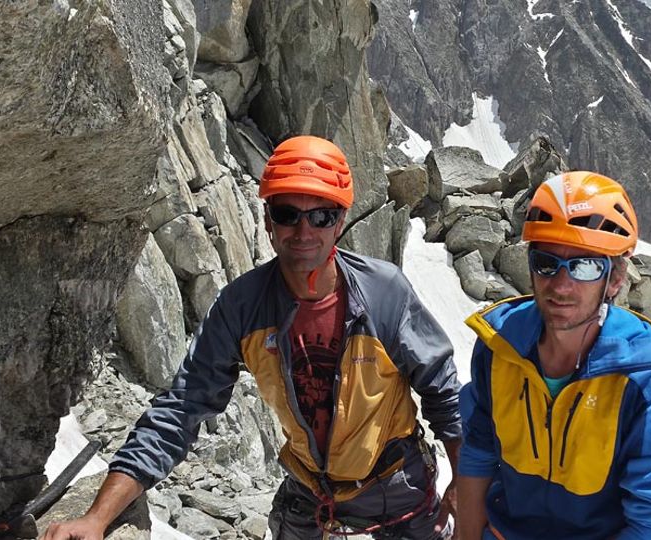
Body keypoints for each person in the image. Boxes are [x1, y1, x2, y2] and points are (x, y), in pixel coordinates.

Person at [43, 135, 461, 540]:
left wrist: (463, 481)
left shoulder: (382, 293)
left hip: (395, 486)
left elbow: (443, 392)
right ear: (267, 221)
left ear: (340, 223)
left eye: (321, 216)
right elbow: (182, 408)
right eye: (287, 214)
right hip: (311, 488)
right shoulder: (243, 307)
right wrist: (97, 518)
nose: (303, 231)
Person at [456, 171, 651, 539]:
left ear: (615, 280)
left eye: (586, 266)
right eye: (546, 263)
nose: (561, 285)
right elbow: (479, 452)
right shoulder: (499, 348)